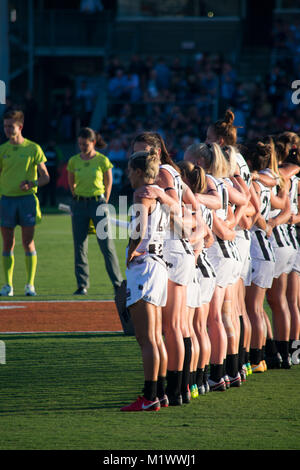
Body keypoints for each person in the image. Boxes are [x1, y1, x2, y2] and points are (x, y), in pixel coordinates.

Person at [120, 149, 169, 412]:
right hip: (159, 266)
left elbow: (138, 229)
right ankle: (159, 393)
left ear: (139, 172)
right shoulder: (158, 194)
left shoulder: (142, 194)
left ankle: (150, 396)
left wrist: (130, 251)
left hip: (145, 267)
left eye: (130, 170)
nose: (127, 174)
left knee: (146, 338)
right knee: (155, 337)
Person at [67, 127, 123, 295]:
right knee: (80, 246)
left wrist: (104, 201)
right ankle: (82, 284)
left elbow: (108, 182)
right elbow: (71, 182)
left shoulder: (102, 160)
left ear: (93, 142)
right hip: (79, 205)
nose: (82, 147)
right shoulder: (73, 161)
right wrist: (77, 196)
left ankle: (117, 283)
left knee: (106, 245)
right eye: (80, 144)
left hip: (97, 204)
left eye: (85, 144)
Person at [0, 109, 50, 296]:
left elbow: (46, 177)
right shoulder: (2, 150)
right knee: (7, 244)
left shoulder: (33, 148)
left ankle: (30, 285)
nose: (6, 129)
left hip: (27, 201)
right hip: (6, 201)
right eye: (5, 126)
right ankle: (8, 285)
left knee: (28, 242)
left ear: (20, 127)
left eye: (10, 126)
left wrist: (32, 183)